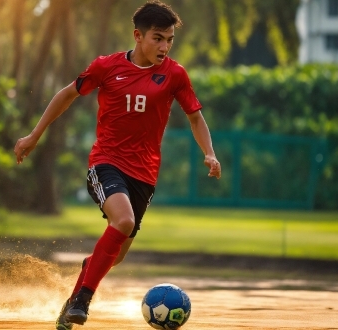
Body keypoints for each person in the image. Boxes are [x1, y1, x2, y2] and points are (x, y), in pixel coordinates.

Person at [13, 1, 221, 329]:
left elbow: (195, 118)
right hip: (106, 164)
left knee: (117, 254)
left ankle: (75, 294)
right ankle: (83, 300)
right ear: (138, 36)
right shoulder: (106, 67)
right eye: (157, 38)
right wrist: (34, 134)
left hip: (145, 176)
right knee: (122, 221)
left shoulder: (175, 75)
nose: (164, 46)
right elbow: (66, 95)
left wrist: (209, 152)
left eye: (169, 40)